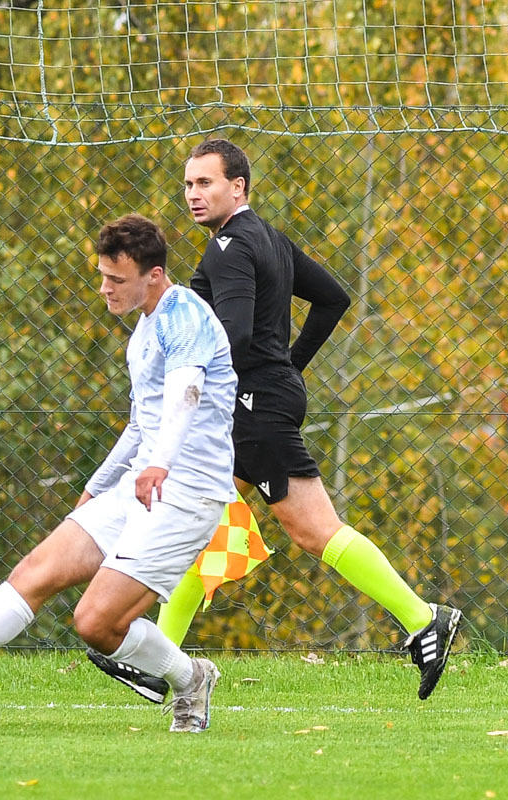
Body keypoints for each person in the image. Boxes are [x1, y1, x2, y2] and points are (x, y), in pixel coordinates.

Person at [91, 139, 462, 701]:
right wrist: (288, 366)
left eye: (206, 183)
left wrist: (235, 379)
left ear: (237, 186)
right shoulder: (268, 238)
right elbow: (333, 299)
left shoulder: (228, 247)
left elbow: (234, 335)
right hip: (260, 398)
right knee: (197, 521)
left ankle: (423, 619)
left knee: (310, 529)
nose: (193, 194)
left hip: (251, 408)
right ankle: (160, 660)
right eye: (188, 184)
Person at [0, 213, 240, 732]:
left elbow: (187, 392)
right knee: (33, 573)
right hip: (142, 484)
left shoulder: (183, 315)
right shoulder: (144, 328)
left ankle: (192, 679)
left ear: (155, 275)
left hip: (186, 493)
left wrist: (160, 463)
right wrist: (96, 487)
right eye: (102, 275)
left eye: (117, 279)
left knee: (96, 623)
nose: (104, 289)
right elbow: (141, 424)